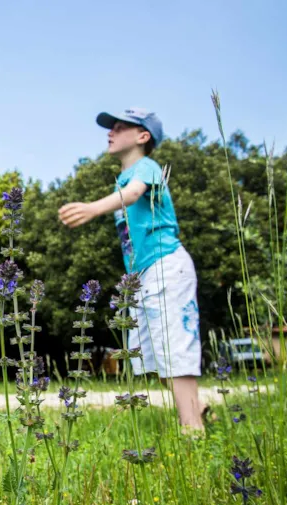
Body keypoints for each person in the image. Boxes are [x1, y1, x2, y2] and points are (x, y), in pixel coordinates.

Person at [58, 108, 204, 431]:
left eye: (120, 127)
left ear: (143, 136)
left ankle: (192, 429)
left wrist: (92, 209)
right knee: (152, 359)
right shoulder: (123, 177)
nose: (110, 132)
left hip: (167, 266)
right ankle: (199, 406)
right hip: (144, 275)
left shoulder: (146, 168)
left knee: (174, 351)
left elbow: (136, 193)